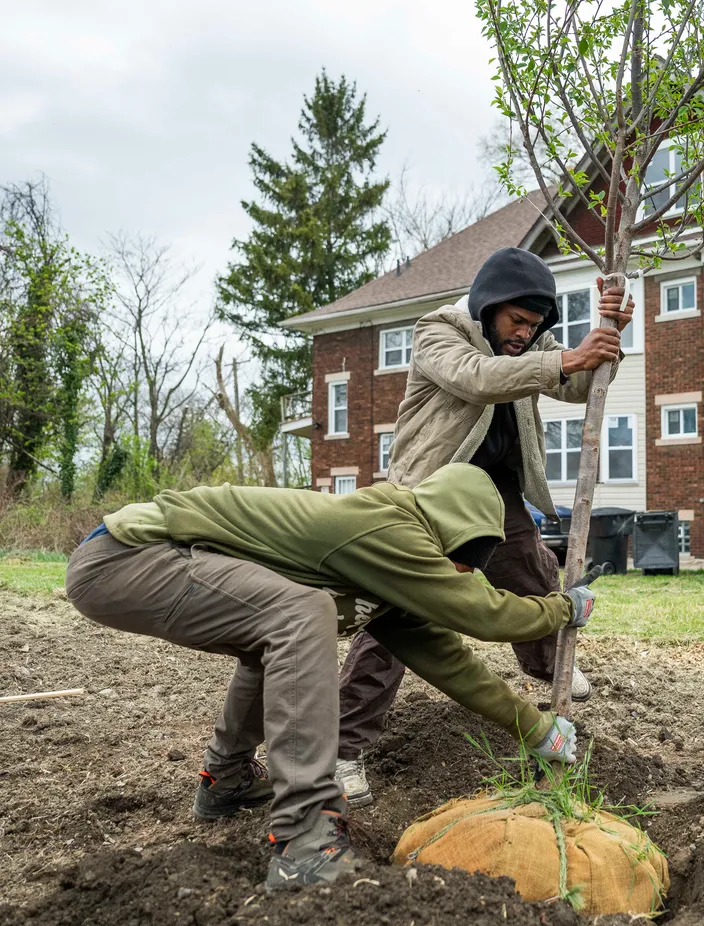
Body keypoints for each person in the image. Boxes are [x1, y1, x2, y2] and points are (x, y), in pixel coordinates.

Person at [63, 463, 595, 891]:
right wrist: (558, 609)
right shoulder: (387, 527)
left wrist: (535, 727)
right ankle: (304, 834)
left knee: (274, 633)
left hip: (149, 563)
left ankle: (223, 782)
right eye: (462, 560)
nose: (461, 575)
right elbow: (483, 615)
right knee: (303, 613)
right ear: (447, 527)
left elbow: (447, 658)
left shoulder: (390, 573)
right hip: (128, 556)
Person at [335, 246, 633, 807]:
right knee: (403, 615)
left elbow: (575, 384)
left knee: (537, 576)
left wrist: (607, 333)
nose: (526, 333)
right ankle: (342, 748)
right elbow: (476, 378)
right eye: (517, 321)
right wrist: (568, 359)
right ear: (489, 305)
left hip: (496, 492)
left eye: (536, 324)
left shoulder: (533, 343)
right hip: (427, 494)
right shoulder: (438, 330)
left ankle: (551, 669)